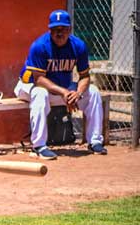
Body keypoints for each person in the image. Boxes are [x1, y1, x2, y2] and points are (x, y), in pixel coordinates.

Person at [14, 9, 107, 160]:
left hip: (58, 89)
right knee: (40, 93)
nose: (59, 33)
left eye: (63, 29)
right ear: (49, 30)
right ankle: (39, 146)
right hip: (28, 87)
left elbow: (84, 77)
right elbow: (38, 79)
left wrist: (77, 93)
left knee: (93, 91)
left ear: (70, 29)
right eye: (55, 29)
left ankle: (95, 141)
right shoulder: (40, 46)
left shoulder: (78, 46)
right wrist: (65, 93)